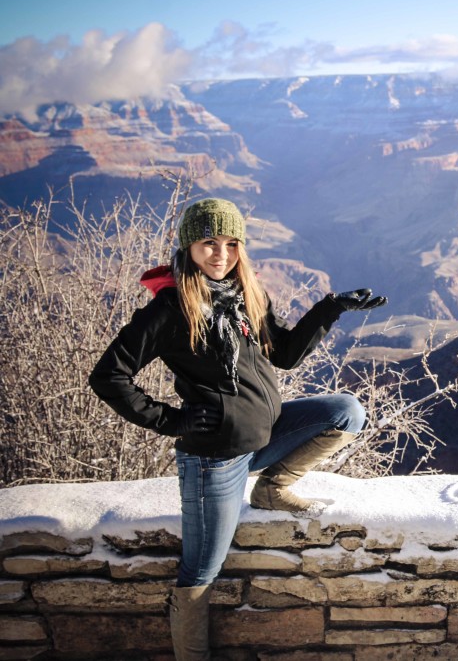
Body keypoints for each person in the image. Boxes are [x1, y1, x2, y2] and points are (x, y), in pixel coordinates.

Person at [88, 198, 386, 660]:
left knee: (346, 411)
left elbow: (284, 353)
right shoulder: (171, 307)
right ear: (189, 246)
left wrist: (330, 308)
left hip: (266, 436)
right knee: (201, 572)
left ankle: (273, 489)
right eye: (209, 243)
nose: (221, 254)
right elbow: (108, 376)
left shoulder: (246, 294)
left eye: (231, 244)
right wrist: (171, 420)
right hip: (215, 460)